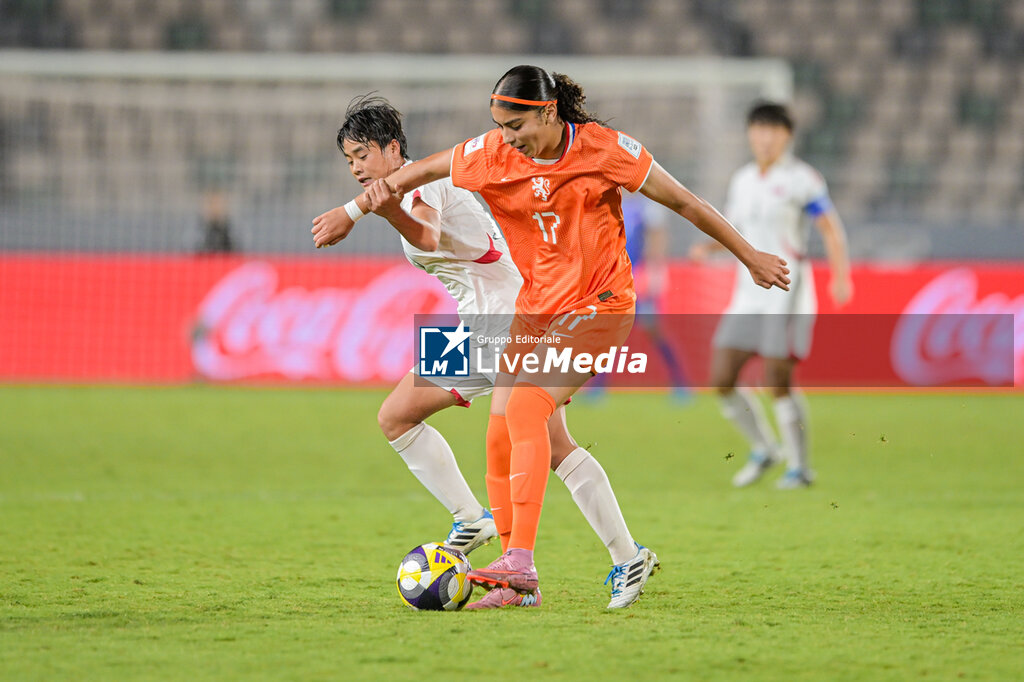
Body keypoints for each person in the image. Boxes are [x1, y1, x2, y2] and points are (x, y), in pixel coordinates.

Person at [314, 67, 790, 609]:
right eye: (499, 126)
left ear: (548, 111)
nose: (506, 137)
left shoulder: (604, 150)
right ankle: (567, 558)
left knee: (512, 416)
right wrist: (353, 211)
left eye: (515, 125)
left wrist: (749, 255)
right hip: (519, 315)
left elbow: (684, 202)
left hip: (585, 308)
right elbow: (413, 177)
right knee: (512, 437)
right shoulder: (490, 153)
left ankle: (514, 556)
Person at [332, 94, 656, 609]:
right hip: (476, 326)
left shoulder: (424, 185)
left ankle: (587, 560)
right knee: (399, 416)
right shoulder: (408, 188)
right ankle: (483, 530)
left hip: (508, 319)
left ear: (393, 149)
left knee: (542, 443)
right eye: (349, 159)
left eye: (362, 155)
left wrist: (383, 209)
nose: (355, 168)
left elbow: (427, 234)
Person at [689, 102, 853, 489]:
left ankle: (799, 468)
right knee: (722, 378)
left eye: (773, 130)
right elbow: (736, 232)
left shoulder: (802, 179)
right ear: (750, 134)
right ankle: (764, 448)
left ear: (786, 136)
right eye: (759, 129)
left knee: (778, 379)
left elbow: (830, 228)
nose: (765, 138)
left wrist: (841, 276)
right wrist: (708, 249)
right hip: (748, 294)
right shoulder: (743, 180)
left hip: (787, 292)